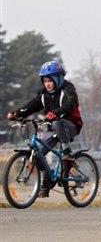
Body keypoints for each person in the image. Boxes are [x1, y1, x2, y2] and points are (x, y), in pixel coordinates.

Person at [7, 61, 83, 198]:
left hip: (70, 125)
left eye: (50, 80)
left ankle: (67, 152)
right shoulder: (43, 95)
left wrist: (56, 113)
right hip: (53, 128)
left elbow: (71, 104)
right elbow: (31, 106)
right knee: (38, 154)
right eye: (45, 81)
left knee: (58, 122)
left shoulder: (68, 89)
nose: (47, 84)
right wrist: (17, 113)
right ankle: (47, 181)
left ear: (59, 78)